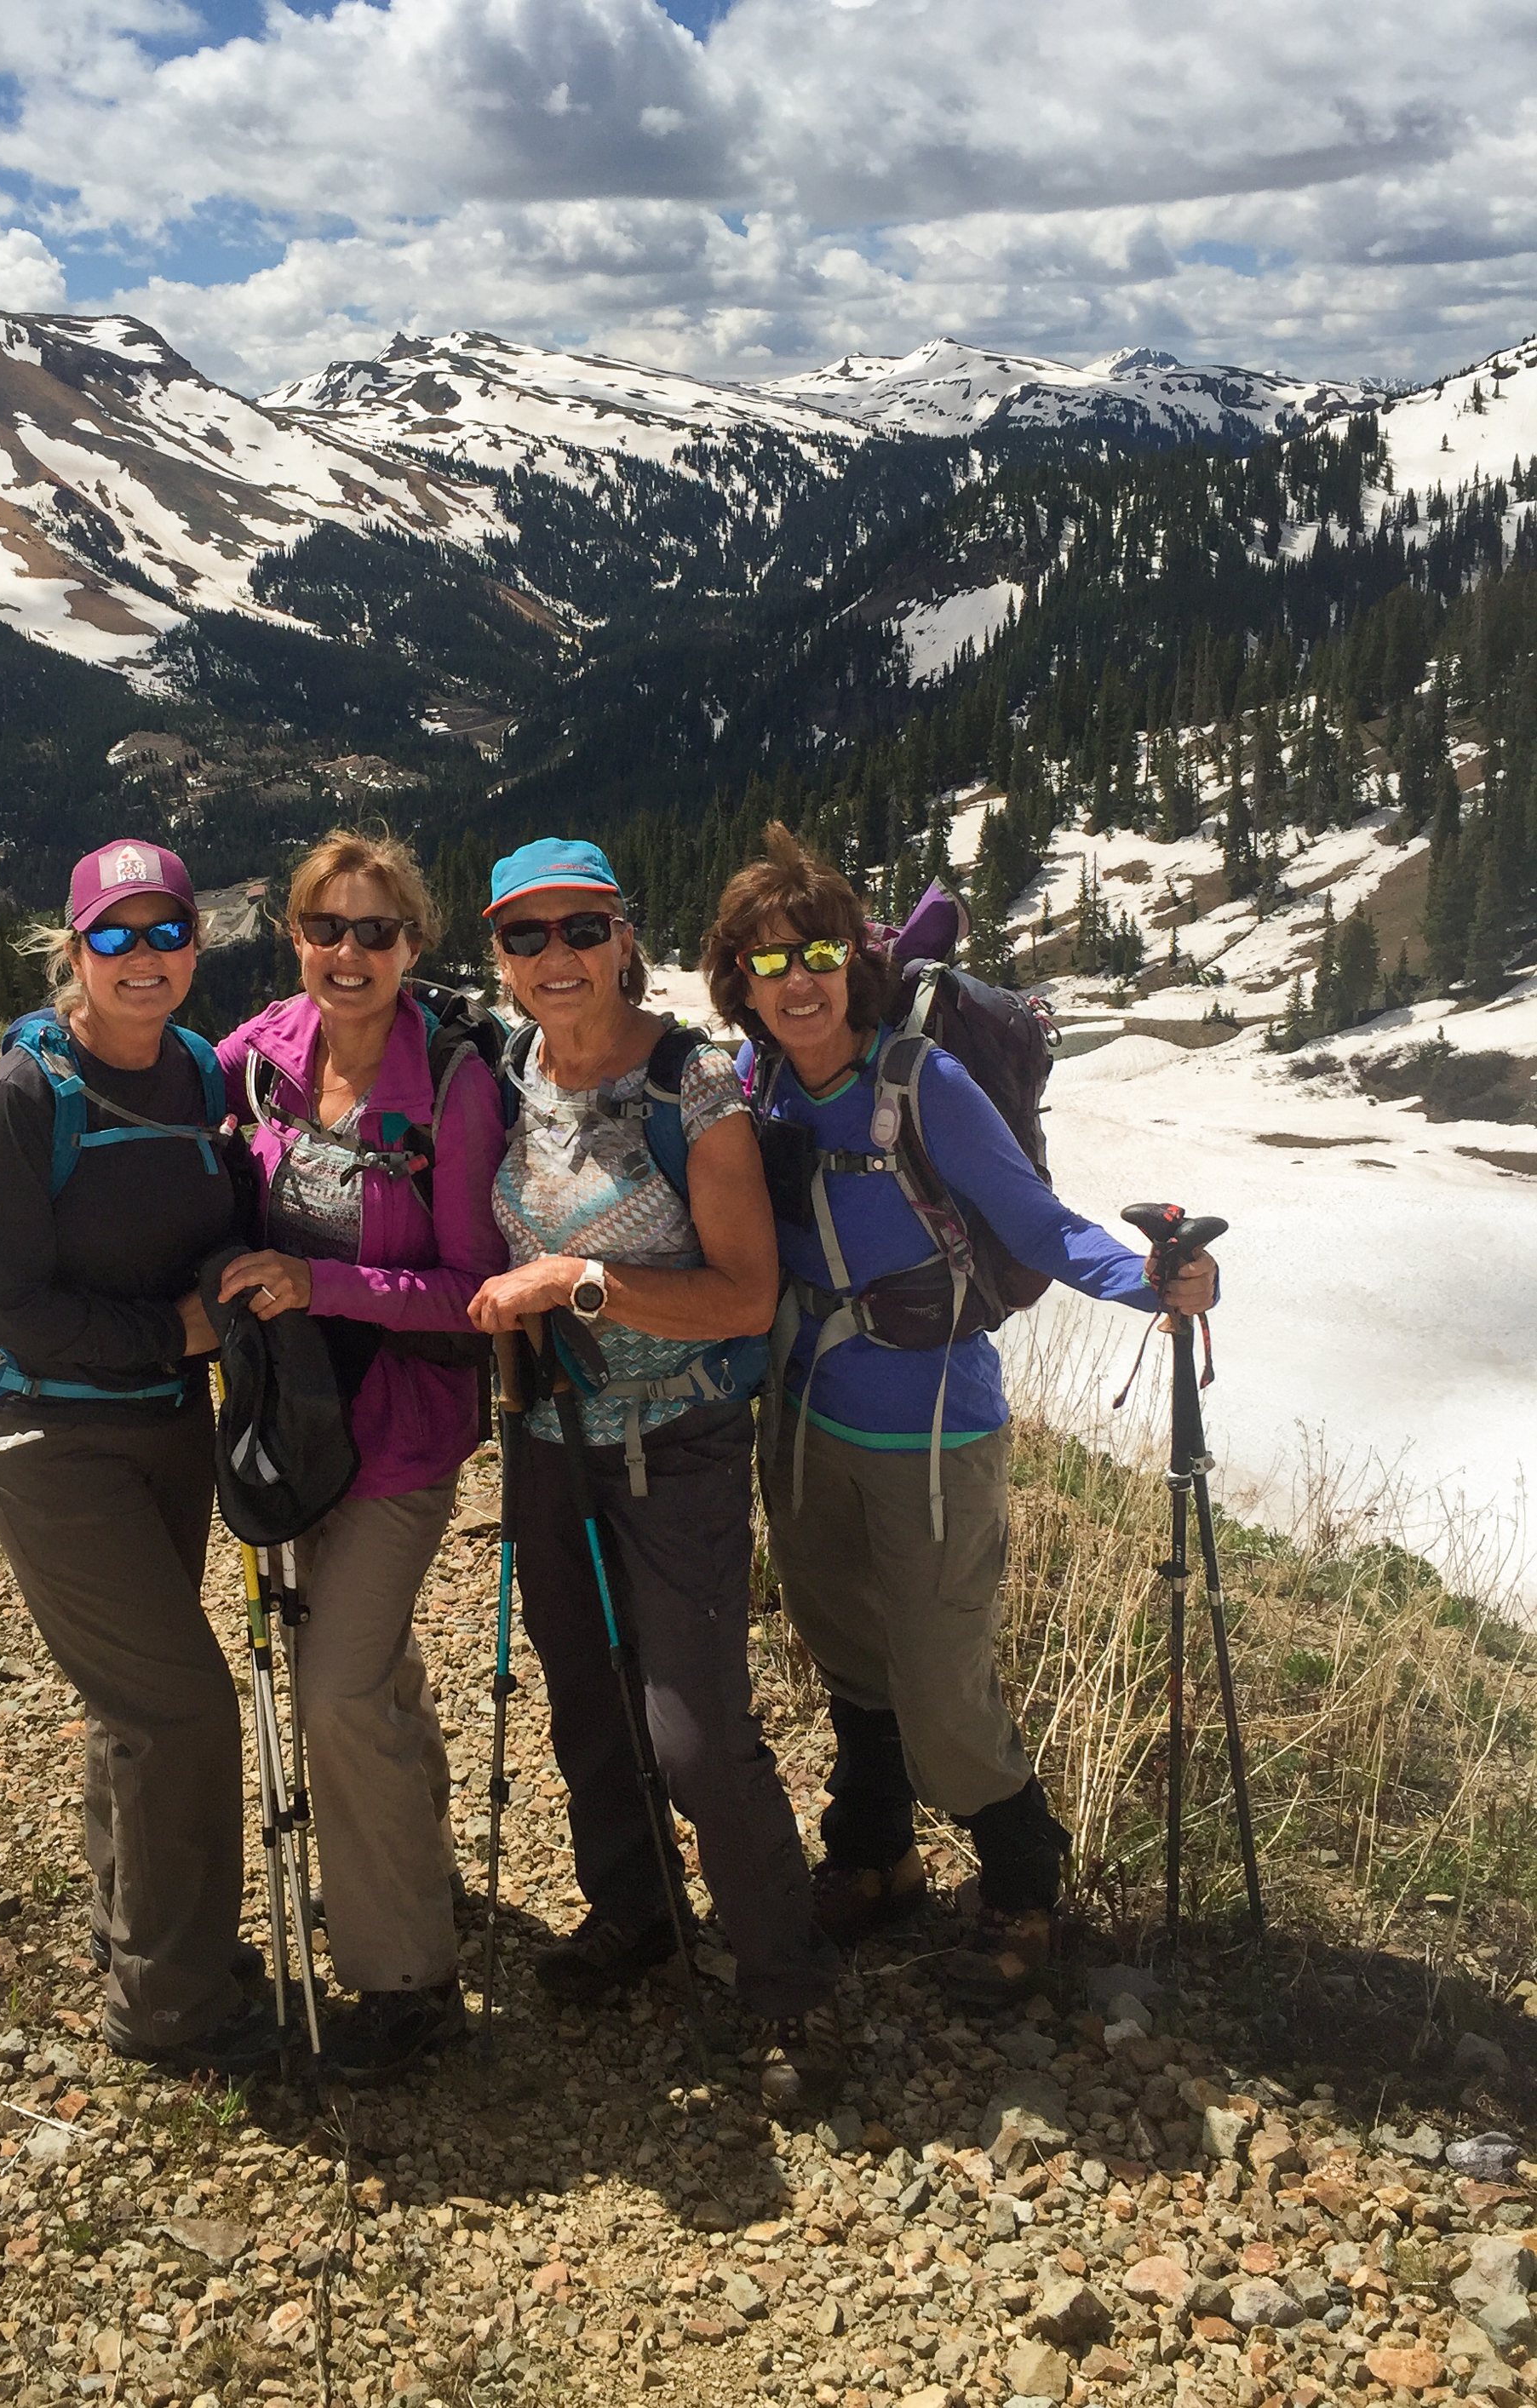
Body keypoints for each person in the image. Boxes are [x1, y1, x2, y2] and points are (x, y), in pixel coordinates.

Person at [700, 822, 1219, 2001]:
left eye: (816, 952)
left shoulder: (919, 1082)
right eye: (767, 963)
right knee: (845, 1656)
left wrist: (1158, 1280)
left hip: (933, 1432)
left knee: (940, 1685)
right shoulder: (755, 1086)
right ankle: (876, 1859)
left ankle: (1024, 1883)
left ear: (854, 959)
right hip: (803, 1421)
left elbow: (1037, 1225)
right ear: (739, 982)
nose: (797, 981)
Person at [467, 837, 845, 2111]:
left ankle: (788, 1981)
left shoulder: (698, 1092)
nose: (555, 957)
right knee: (585, 1700)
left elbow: (744, 1299)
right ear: (499, 956)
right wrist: (19, 1054)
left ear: (625, 937)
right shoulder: (498, 1065)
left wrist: (574, 1282)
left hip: (673, 1443)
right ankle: (632, 1913)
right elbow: (299, 1025)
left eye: (581, 929)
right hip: (546, 1440)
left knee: (692, 1732)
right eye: (527, 937)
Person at [0, 839, 274, 2077]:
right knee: (179, 1706)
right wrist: (177, 1330)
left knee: (138, 1704)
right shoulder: (28, 1096)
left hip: (164, 1419)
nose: (145, 960)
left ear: (197, 943)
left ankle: (148, 1934)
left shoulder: (199, 1071)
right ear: (72, 949)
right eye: (115, 937)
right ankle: (172, 2007)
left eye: (166, 934)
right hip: (46, 1429)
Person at [211, 829, 508, 2079]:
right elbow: (133, 1057)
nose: (348, 953)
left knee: (333, 1689)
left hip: (400, 1434)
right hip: (294, 1420)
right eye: (325, 929)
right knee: (364, 1663)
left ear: (412, 945)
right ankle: (418, 1865)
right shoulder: (262, 1051)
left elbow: (472, 1291)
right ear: (294, 938)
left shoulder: (448, 1086)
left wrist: (319, 1280)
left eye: (373, 932)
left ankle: (406, 1979)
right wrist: (12, 1064)